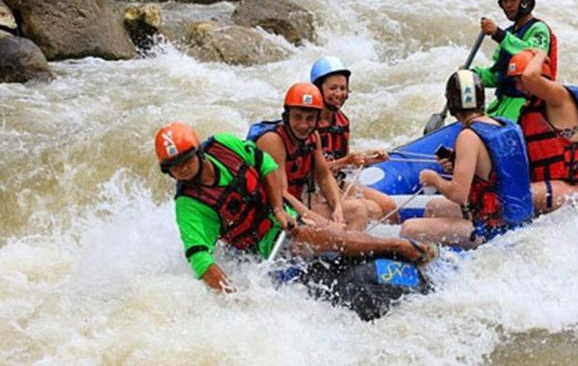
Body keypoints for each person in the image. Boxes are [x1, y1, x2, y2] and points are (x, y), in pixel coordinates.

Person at [155, 122, 436, 292]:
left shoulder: (223, 146)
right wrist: (233, 296)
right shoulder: (188, 205)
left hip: (282, 219)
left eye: (186, 160)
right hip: (260, 247)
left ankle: (397, 248)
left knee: (329, 237)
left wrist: (279, 209)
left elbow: (266, 166)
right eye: (173, 167)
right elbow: (200, 258)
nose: (181, 169)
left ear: (198, 152)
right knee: (322, 238)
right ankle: (395, 248)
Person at [400, 70, 533, 248]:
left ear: (452, 102)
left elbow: (458, 194)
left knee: (409, 229)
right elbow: (493, 172)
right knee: (432, 206)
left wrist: (433, 179)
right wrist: (457, 165)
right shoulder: (504, 125)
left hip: (491, 230)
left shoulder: (468, 136)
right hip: (516, 221)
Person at [248, 83, 373, 231]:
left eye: (310, 119)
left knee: (357, 210)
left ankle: (347, 251)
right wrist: (321, 222)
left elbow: (324, 177)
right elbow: (282, 193)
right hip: (272, 215)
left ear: (317, 119)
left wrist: (337, 208)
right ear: (287, 116)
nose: (303, 125)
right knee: (335, 230)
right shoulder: (272, 141)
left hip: (297, 207)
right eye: (298, 117)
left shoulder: (313, 136)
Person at [506, 49, 578, 214]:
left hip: (577, 188)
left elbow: (530, 77)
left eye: (519, 81)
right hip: (551, 186)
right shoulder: (530, 108)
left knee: (509, 199)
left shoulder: (560, 98)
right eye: (516, 81)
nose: (518, 87)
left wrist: (539, 55)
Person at [310, 56, 399, 223]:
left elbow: (344, 162)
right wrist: (346, 161)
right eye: (333, 88)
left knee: (388, 206)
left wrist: (369, 158)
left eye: (343, 88)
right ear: (318, 89)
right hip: (315, 191)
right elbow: (313, 173)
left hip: (339, 183)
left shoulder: (342, 120)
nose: (339, 94)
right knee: (372, 210)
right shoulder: (307, 124)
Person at [471, 0, 558, 122]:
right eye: (504, 0)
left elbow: (533, 56)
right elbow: (496, 76)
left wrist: (499, 34)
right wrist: (473, 76)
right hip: (502, 103)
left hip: (526, 105)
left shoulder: (538, 29)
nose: (508, 5)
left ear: (526, 2)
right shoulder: (509, 33)